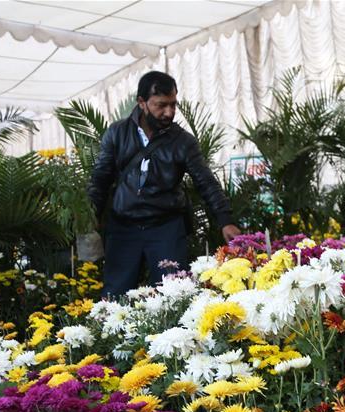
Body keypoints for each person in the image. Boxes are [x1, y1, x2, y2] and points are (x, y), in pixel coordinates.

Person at [87, 71, 240, 297]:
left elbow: (206, 182)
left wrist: (225, 220)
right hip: (123, 229)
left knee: (174, 295)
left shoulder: (183, 142)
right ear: (142, 103)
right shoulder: (117, 133)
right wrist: (88, 219)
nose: (169, 112)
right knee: (115, 296)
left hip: (166, 228)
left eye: (173, 105)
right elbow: (100, 179)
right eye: (161, 105)